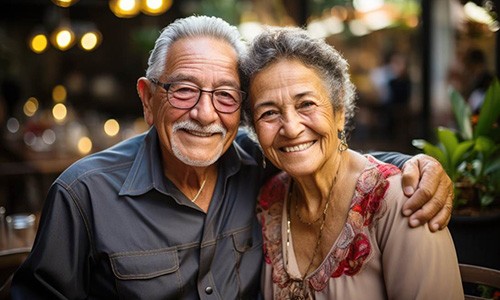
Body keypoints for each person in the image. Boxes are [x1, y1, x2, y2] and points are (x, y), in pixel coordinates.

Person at [11, 16, 453, 299]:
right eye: (183, 90)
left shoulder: (257, 167)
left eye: (224, 96)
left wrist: (412, 165)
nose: (204, 114)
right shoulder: (84, 194)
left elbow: (331, 160)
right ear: (148, 100)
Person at [241, 26, 463, 299]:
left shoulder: (403, 201)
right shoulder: (269, 201)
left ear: (339, 113)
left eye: (306, 104)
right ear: (253, 130)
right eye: (269, 112)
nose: (291, 127)